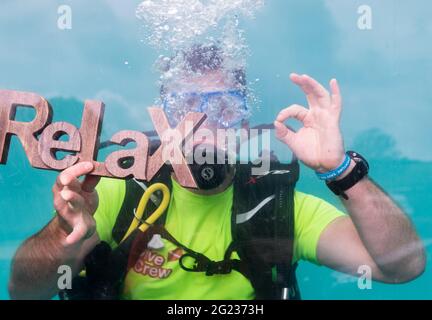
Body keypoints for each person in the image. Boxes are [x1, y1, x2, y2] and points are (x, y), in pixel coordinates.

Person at [8, 45, 426, 300]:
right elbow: (23, 292)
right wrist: (67, 230)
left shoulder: (278, 206)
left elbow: (400, 268)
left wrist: (341, 171)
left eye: (224, 104)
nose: (203, 120)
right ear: (163, 119)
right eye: (186, 102)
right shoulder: (116, 192)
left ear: (243, 125)